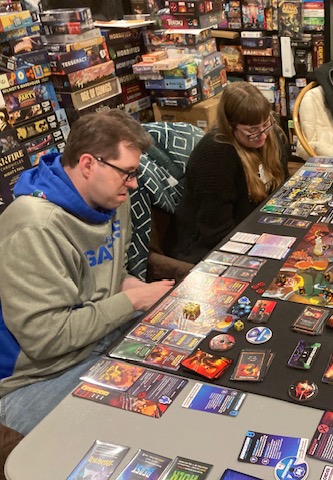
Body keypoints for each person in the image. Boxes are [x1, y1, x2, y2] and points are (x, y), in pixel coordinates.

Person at [0, 109, 175, 435]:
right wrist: (133, 301)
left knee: (178, 368)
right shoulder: (35, 227)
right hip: (36, 376)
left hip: (96, 340)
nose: (134, 184)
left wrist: (135, 288)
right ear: (88, 164)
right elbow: (47, 339)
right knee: (137, 424)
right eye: (127, 173)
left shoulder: (114, 199)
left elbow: (110, 274)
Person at [164, 82, 290, 264]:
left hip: (258, 228)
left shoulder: (272, 134)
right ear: (230, 127)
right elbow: (215, 232)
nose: (263, 135)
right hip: (207, 248)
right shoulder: (214, 155)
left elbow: (283, 191)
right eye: (252, 131)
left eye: (266, 124)